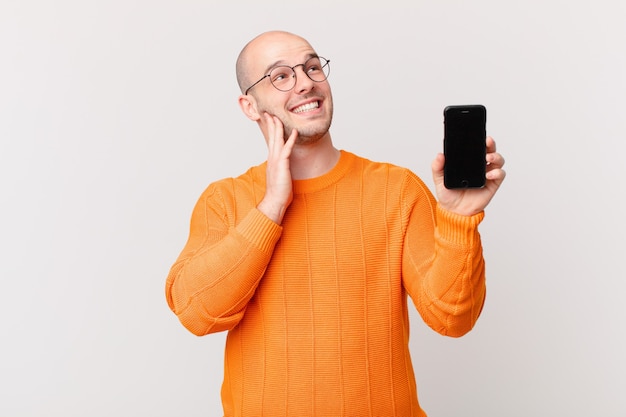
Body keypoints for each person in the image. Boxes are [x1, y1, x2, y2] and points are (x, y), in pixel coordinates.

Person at [165, 30, 506, 417]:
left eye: (312, 68)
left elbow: (452, 318)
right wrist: (271, 207)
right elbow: (196, 313)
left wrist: (459, 218)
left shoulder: (396, 190)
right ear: (249, 105)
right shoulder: (224, 200)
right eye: (280, 76)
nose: (306, 83)